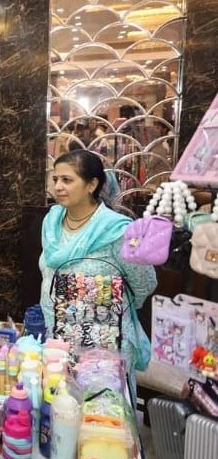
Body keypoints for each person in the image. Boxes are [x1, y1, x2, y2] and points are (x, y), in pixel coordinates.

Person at [40, 150, 157, 397]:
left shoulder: (117, 230)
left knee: (103, 412)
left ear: (92, 184)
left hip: (105, 342)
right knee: (60, 407)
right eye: (56, 179)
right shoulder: (51, 223)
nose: (58, 186)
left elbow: (144, 282)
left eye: (67, 180)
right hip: (59, 337)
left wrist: (100, 302)